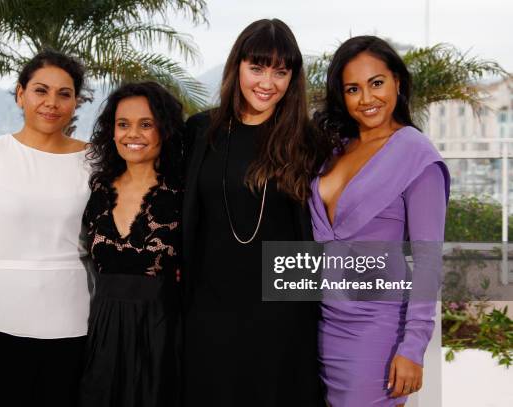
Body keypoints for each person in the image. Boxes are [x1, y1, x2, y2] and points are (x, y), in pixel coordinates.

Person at [182, 19, 326, 407]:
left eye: (281, 72)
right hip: (208, 309)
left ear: (292, 78)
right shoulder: (200, 130)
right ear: (238, 67)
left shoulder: (308, 141)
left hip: (283, 316)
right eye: (257, 67)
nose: (268, 82)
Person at [309, 36, 450, 406]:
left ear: (397, 82)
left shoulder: (416, 155)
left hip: (376, 332)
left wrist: (413, 347)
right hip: (319, 323)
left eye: (377, 83)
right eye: (353, 89)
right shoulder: (334, 150)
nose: (367, 99)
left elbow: (428, 259)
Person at [0, 50, 91, 406]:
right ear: (20, 94)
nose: (51, 103)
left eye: (64, 94)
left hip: (73, 326)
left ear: (75, 102)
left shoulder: (95, 161)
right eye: (41, 90)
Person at [79, 81, 184, 407]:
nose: (132, 134)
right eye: (123, 124)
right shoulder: (96, 192)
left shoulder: (182, 195)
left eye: (146, 124)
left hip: (163, 337)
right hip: (103, 337)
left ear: (164, 130)